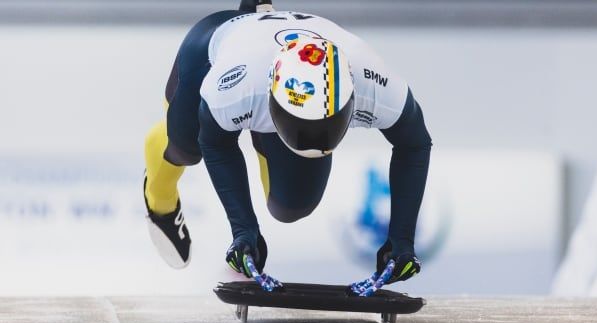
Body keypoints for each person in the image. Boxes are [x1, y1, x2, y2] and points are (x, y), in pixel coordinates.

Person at [143, 0, 432, 290]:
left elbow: (416, 144)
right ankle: (159, 198)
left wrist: (402, 238)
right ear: (270, 99)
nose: (313, 139)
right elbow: (216, 143)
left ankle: (264, 133)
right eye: (300, 127)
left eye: (326, 126)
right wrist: (244, 230)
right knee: (186, 144)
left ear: (352, 100)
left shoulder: (378, 84)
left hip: (264, 91)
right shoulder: (232, 89)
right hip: (212, 48)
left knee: (291, 205)